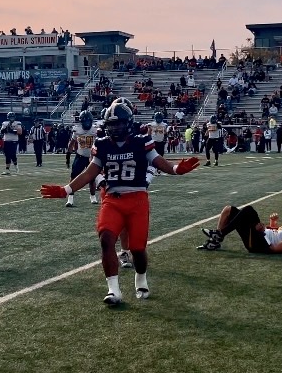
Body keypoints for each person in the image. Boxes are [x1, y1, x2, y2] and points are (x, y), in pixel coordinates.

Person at [39, 102, 200, 307]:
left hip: (137, 200)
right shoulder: (103, 144)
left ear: (128, 123)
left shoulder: (141, 141)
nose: (114, 128)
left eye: (118, 124)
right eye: (111, 124)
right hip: (112, 200)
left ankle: (140, 278)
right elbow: (91, 172)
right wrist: (66, 190)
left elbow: (158, 161)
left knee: (137, 249)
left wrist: (176, 169)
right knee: (106, 239)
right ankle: (113, 290)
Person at [198, 205, 282, 253]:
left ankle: (219, 234)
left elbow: (273, 249)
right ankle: (216, 241)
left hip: (258, 245)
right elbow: (277, 234)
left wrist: (261, 233)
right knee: (228, 210)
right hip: (260, 237)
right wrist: (272, 223)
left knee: (249, 211)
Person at [66, 111, 101, 207]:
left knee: (92, 178)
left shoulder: (95, 130)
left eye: (88, 121)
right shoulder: (77, 130)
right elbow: (71, 143)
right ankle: (70, 198)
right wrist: (68, 155)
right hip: (80, 156)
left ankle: (93, 196)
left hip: (92, 157)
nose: (86, 123)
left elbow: (101, 142)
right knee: (74, 176)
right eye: (84, 121)